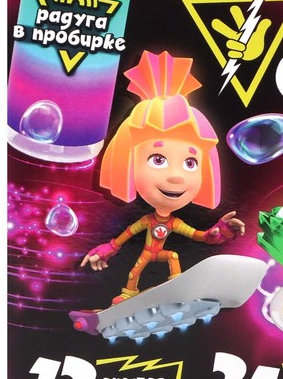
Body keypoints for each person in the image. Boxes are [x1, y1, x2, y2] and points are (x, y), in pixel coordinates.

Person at [81, 50, 244, 304]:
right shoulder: (146, 220)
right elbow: (122, 239)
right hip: (146, 253)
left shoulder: (175, 223)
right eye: (158, 159)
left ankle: (175, 287)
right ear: (126, 160)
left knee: (174, 257)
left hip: (162, 255)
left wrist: (220, 231)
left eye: (190, 162)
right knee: (135, 270)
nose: (177, 177)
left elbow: (200, 236)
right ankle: (128, 294)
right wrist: (107, 249)